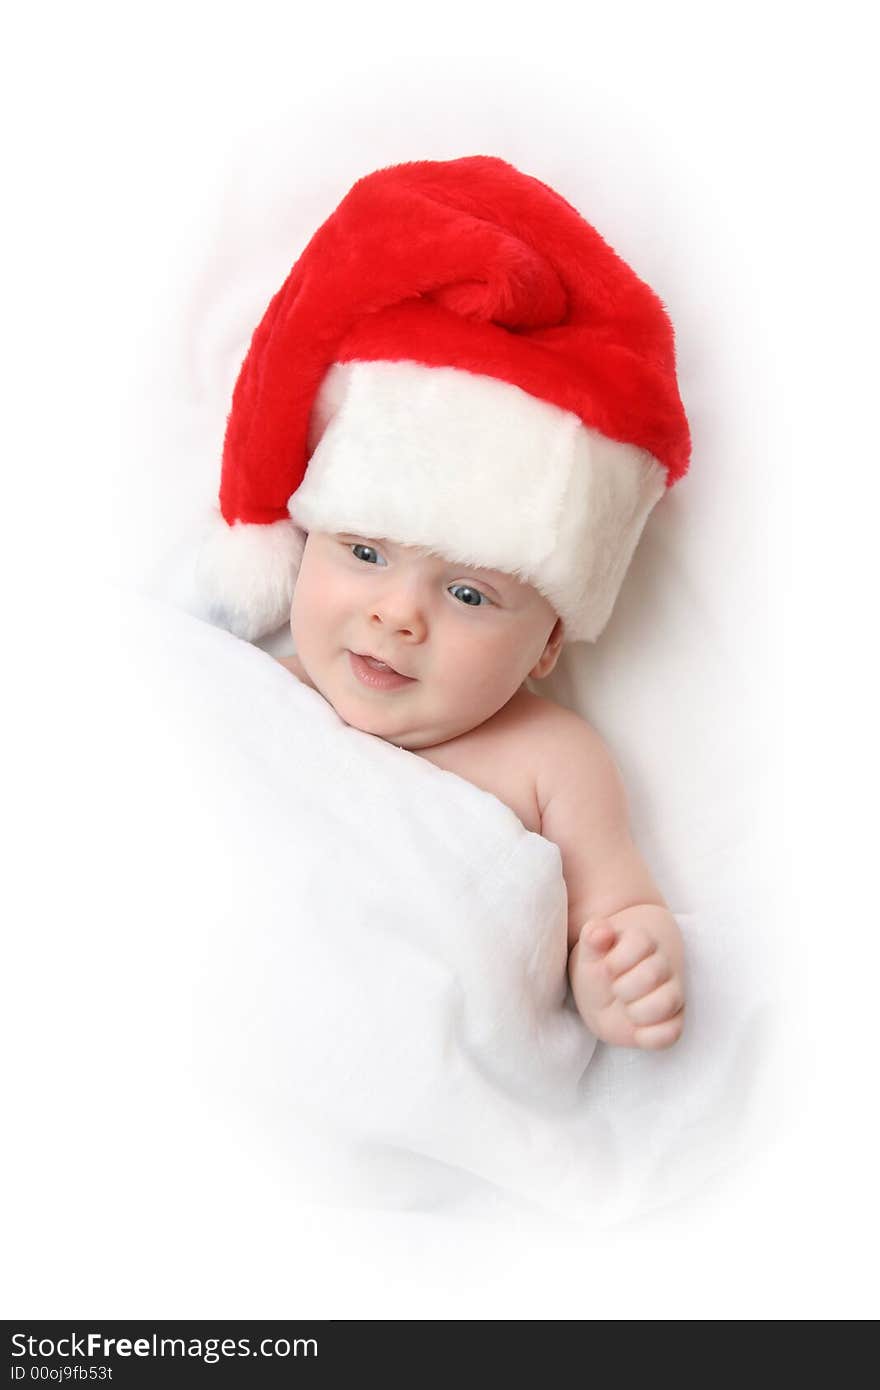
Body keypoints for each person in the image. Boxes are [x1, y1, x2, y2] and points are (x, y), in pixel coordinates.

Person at [196, 155, 692, 1050]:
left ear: (547, 646)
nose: (396, 615)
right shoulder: (254, 688)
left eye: (469, 591)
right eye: (364, 551)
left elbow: (614, 905)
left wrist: (624, 958)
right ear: (306, 543)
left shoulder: (551, 760)